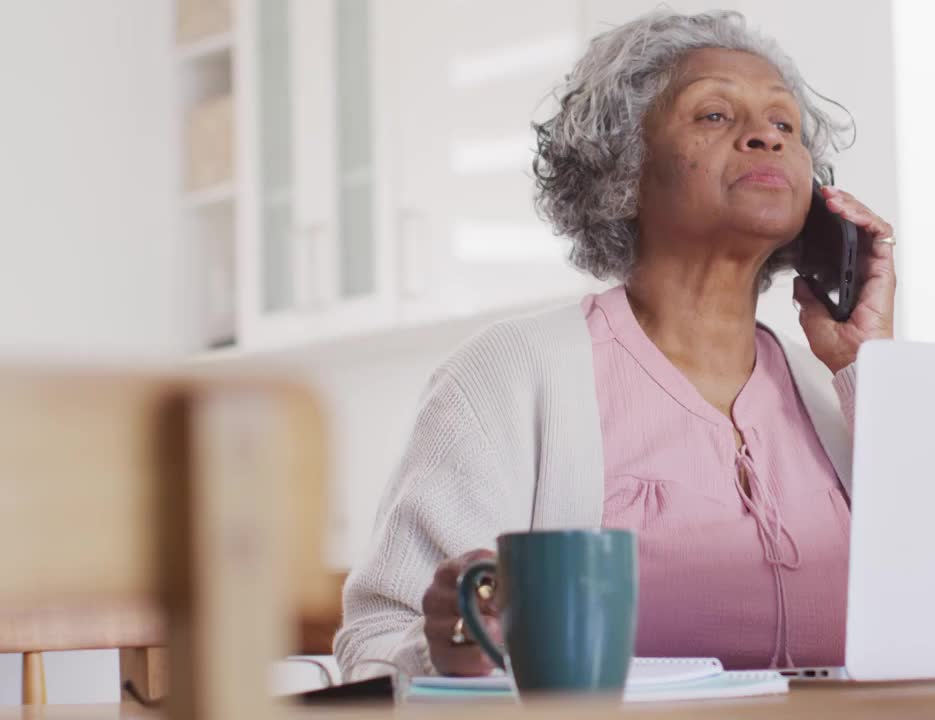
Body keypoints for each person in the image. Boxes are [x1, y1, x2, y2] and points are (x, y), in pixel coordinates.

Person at [335, 8, 896, 679]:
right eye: (715, 115)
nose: (766, 139)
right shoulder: (512, 372)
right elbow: (377, 638)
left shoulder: (835, 392)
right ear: (622, 166)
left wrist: (868, 364)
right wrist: (450, 650)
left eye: (785, 125)